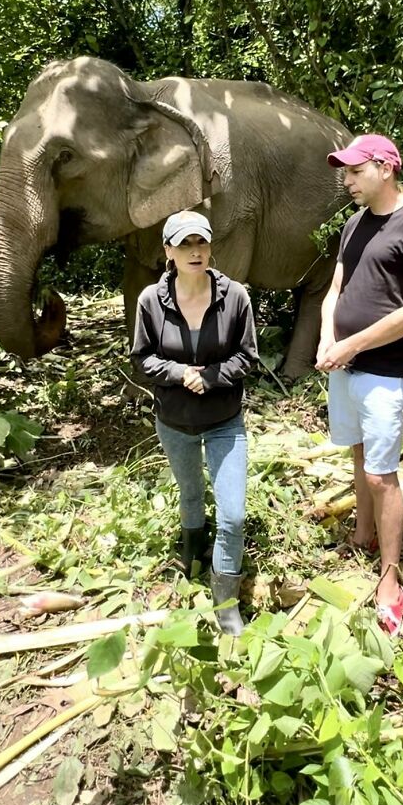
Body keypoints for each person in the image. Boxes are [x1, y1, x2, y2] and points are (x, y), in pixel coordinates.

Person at [316, 134, 403, 636]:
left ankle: (390, 577)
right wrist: (329, 337)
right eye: (344, 173)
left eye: (354, 171)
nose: (346, 182)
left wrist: (353, 345)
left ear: (386, 167)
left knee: (381, 473)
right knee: (358, 456)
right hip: (343, 362)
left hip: (384, 368)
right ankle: (361, 534)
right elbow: (335, 290)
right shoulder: (353, 223)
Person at [131, 210, 258, 635]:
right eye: (184, 244)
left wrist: (211, 377)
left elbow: (248, 356)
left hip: (224, 419)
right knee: (190, 493)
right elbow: (143, 356)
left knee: (234, 515)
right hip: (174, 420)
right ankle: (192, 551)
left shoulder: (235, 295)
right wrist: (177, 373)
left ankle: (225, 602)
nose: (195, 252)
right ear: (168, 251)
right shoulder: (151, 300)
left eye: (201, 243)